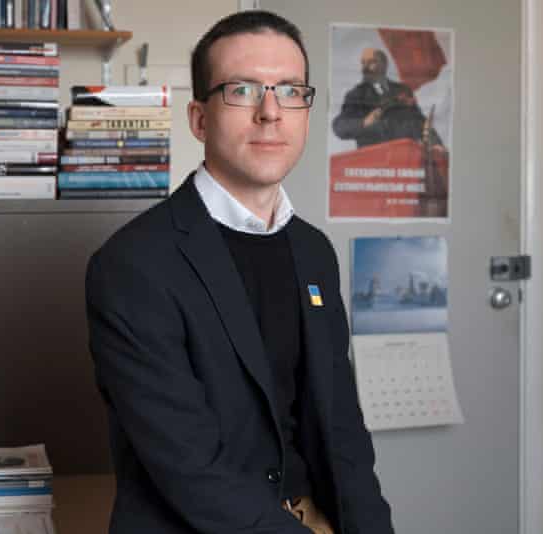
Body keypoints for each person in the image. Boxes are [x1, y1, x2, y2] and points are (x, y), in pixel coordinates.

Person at [85, 10, 394, 534]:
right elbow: (190, 468)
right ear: (199, 119)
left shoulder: (315, 251)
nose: (271, 112)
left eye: (291, 90)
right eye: (244, 90)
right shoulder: (131, 265)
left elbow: (342, 430)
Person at [332, 47, 440, 148]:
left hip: (406, 156)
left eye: (371, 62)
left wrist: (435, 143)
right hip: (375, 160)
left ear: (384, 64)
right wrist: (363, 123)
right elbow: (340, 126)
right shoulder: (356, 94)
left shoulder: (403, 90)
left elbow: (420, 121)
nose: (365, 67)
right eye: (363, 63)